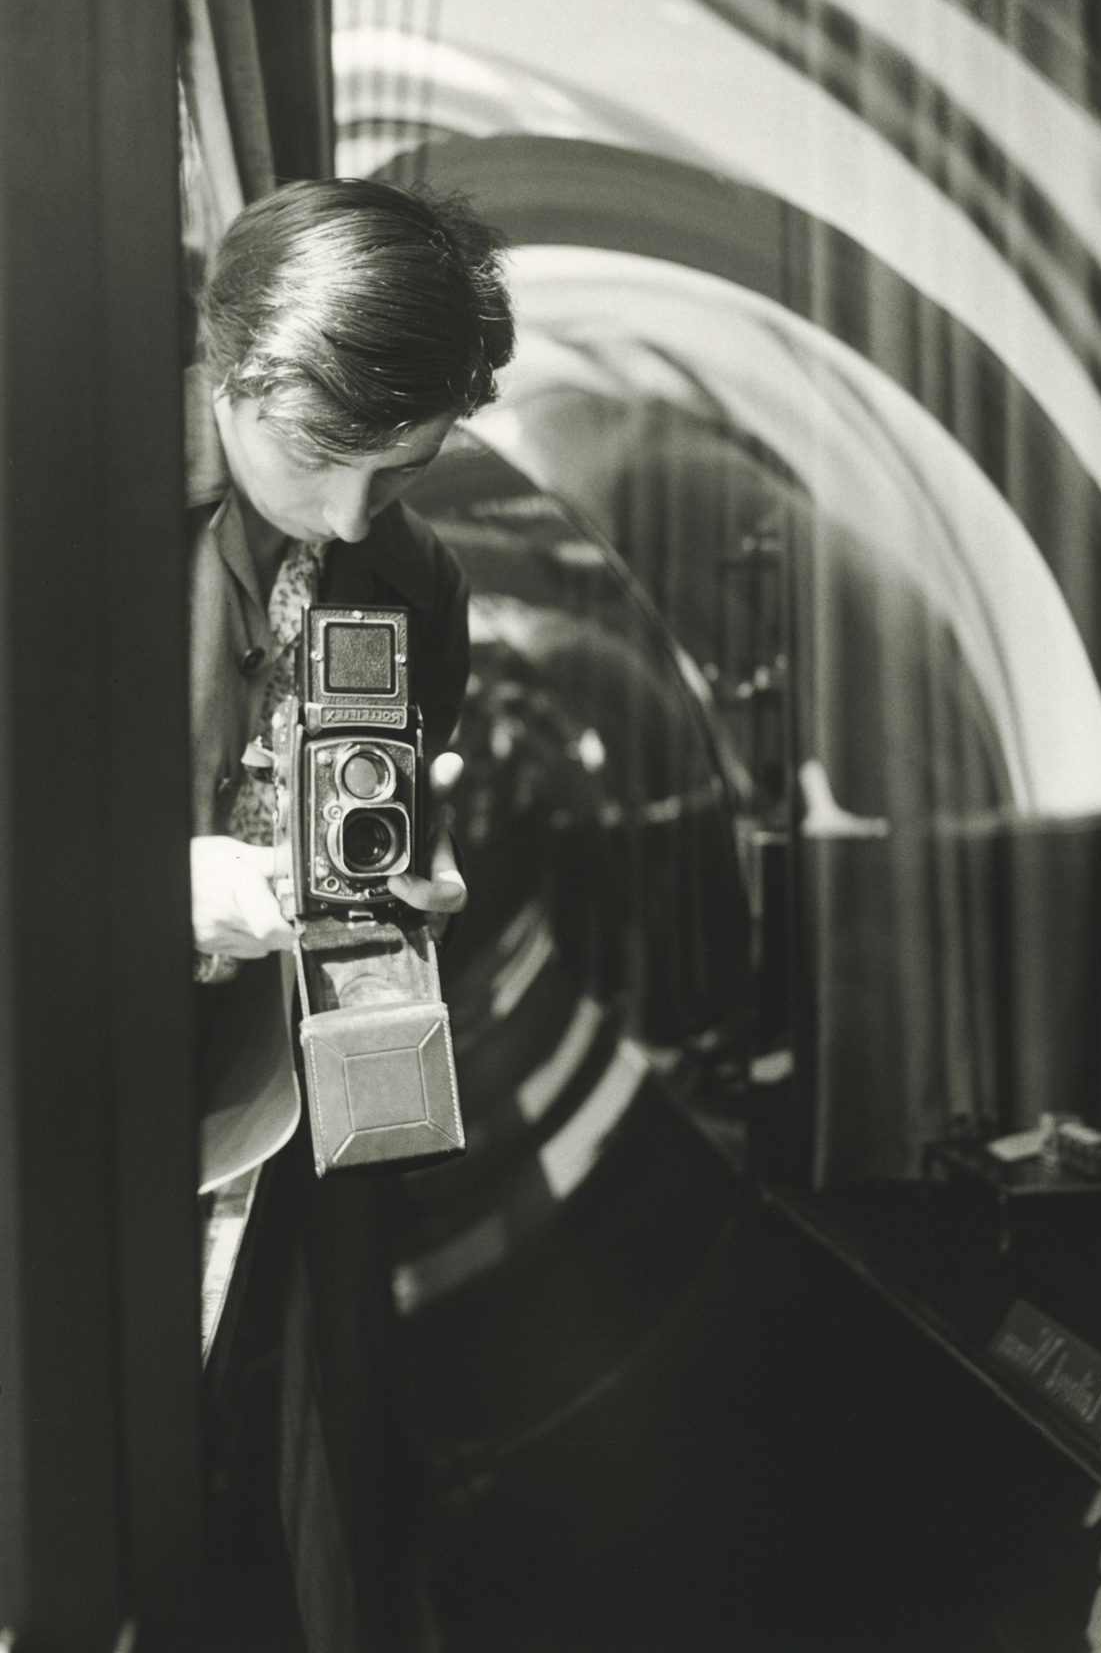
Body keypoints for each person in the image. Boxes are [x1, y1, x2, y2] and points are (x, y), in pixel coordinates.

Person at [187, 176, 514, 1651]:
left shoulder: (416, 576)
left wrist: (413, 899)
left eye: (399, 471)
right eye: (323, 454)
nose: (347, 514)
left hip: (281, 1115)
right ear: (230, 363)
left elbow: (392, 827)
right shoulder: (62, 530)